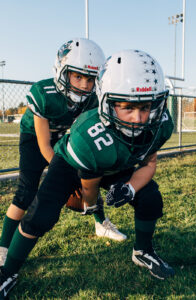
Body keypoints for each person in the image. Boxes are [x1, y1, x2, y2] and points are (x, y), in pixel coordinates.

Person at [0, 49, 175, 298]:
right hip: (72, 163)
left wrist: (130, 188)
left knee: (149, 196)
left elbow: (148, 163)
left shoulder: (161, 124)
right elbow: (89, 183)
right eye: (127, 107)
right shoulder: (89, 135)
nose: (138, 119)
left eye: (146, 106)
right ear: (106, 101)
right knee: (40, 215)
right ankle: (8, 272)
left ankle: (142, 251)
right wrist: (90, 206)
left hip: (114, 162)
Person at [0, 39, 126, 266]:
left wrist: (80, 174)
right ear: (62, 71)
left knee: (89, 170)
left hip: (63, 135)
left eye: (90, 79)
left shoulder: (93, 100)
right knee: (26, 192)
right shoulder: (43, 92)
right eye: (78, 76)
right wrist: (66, 174)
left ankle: (100, 223)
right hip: (35, 138)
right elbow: (44, 146)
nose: (85, 85)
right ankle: (3, 247)